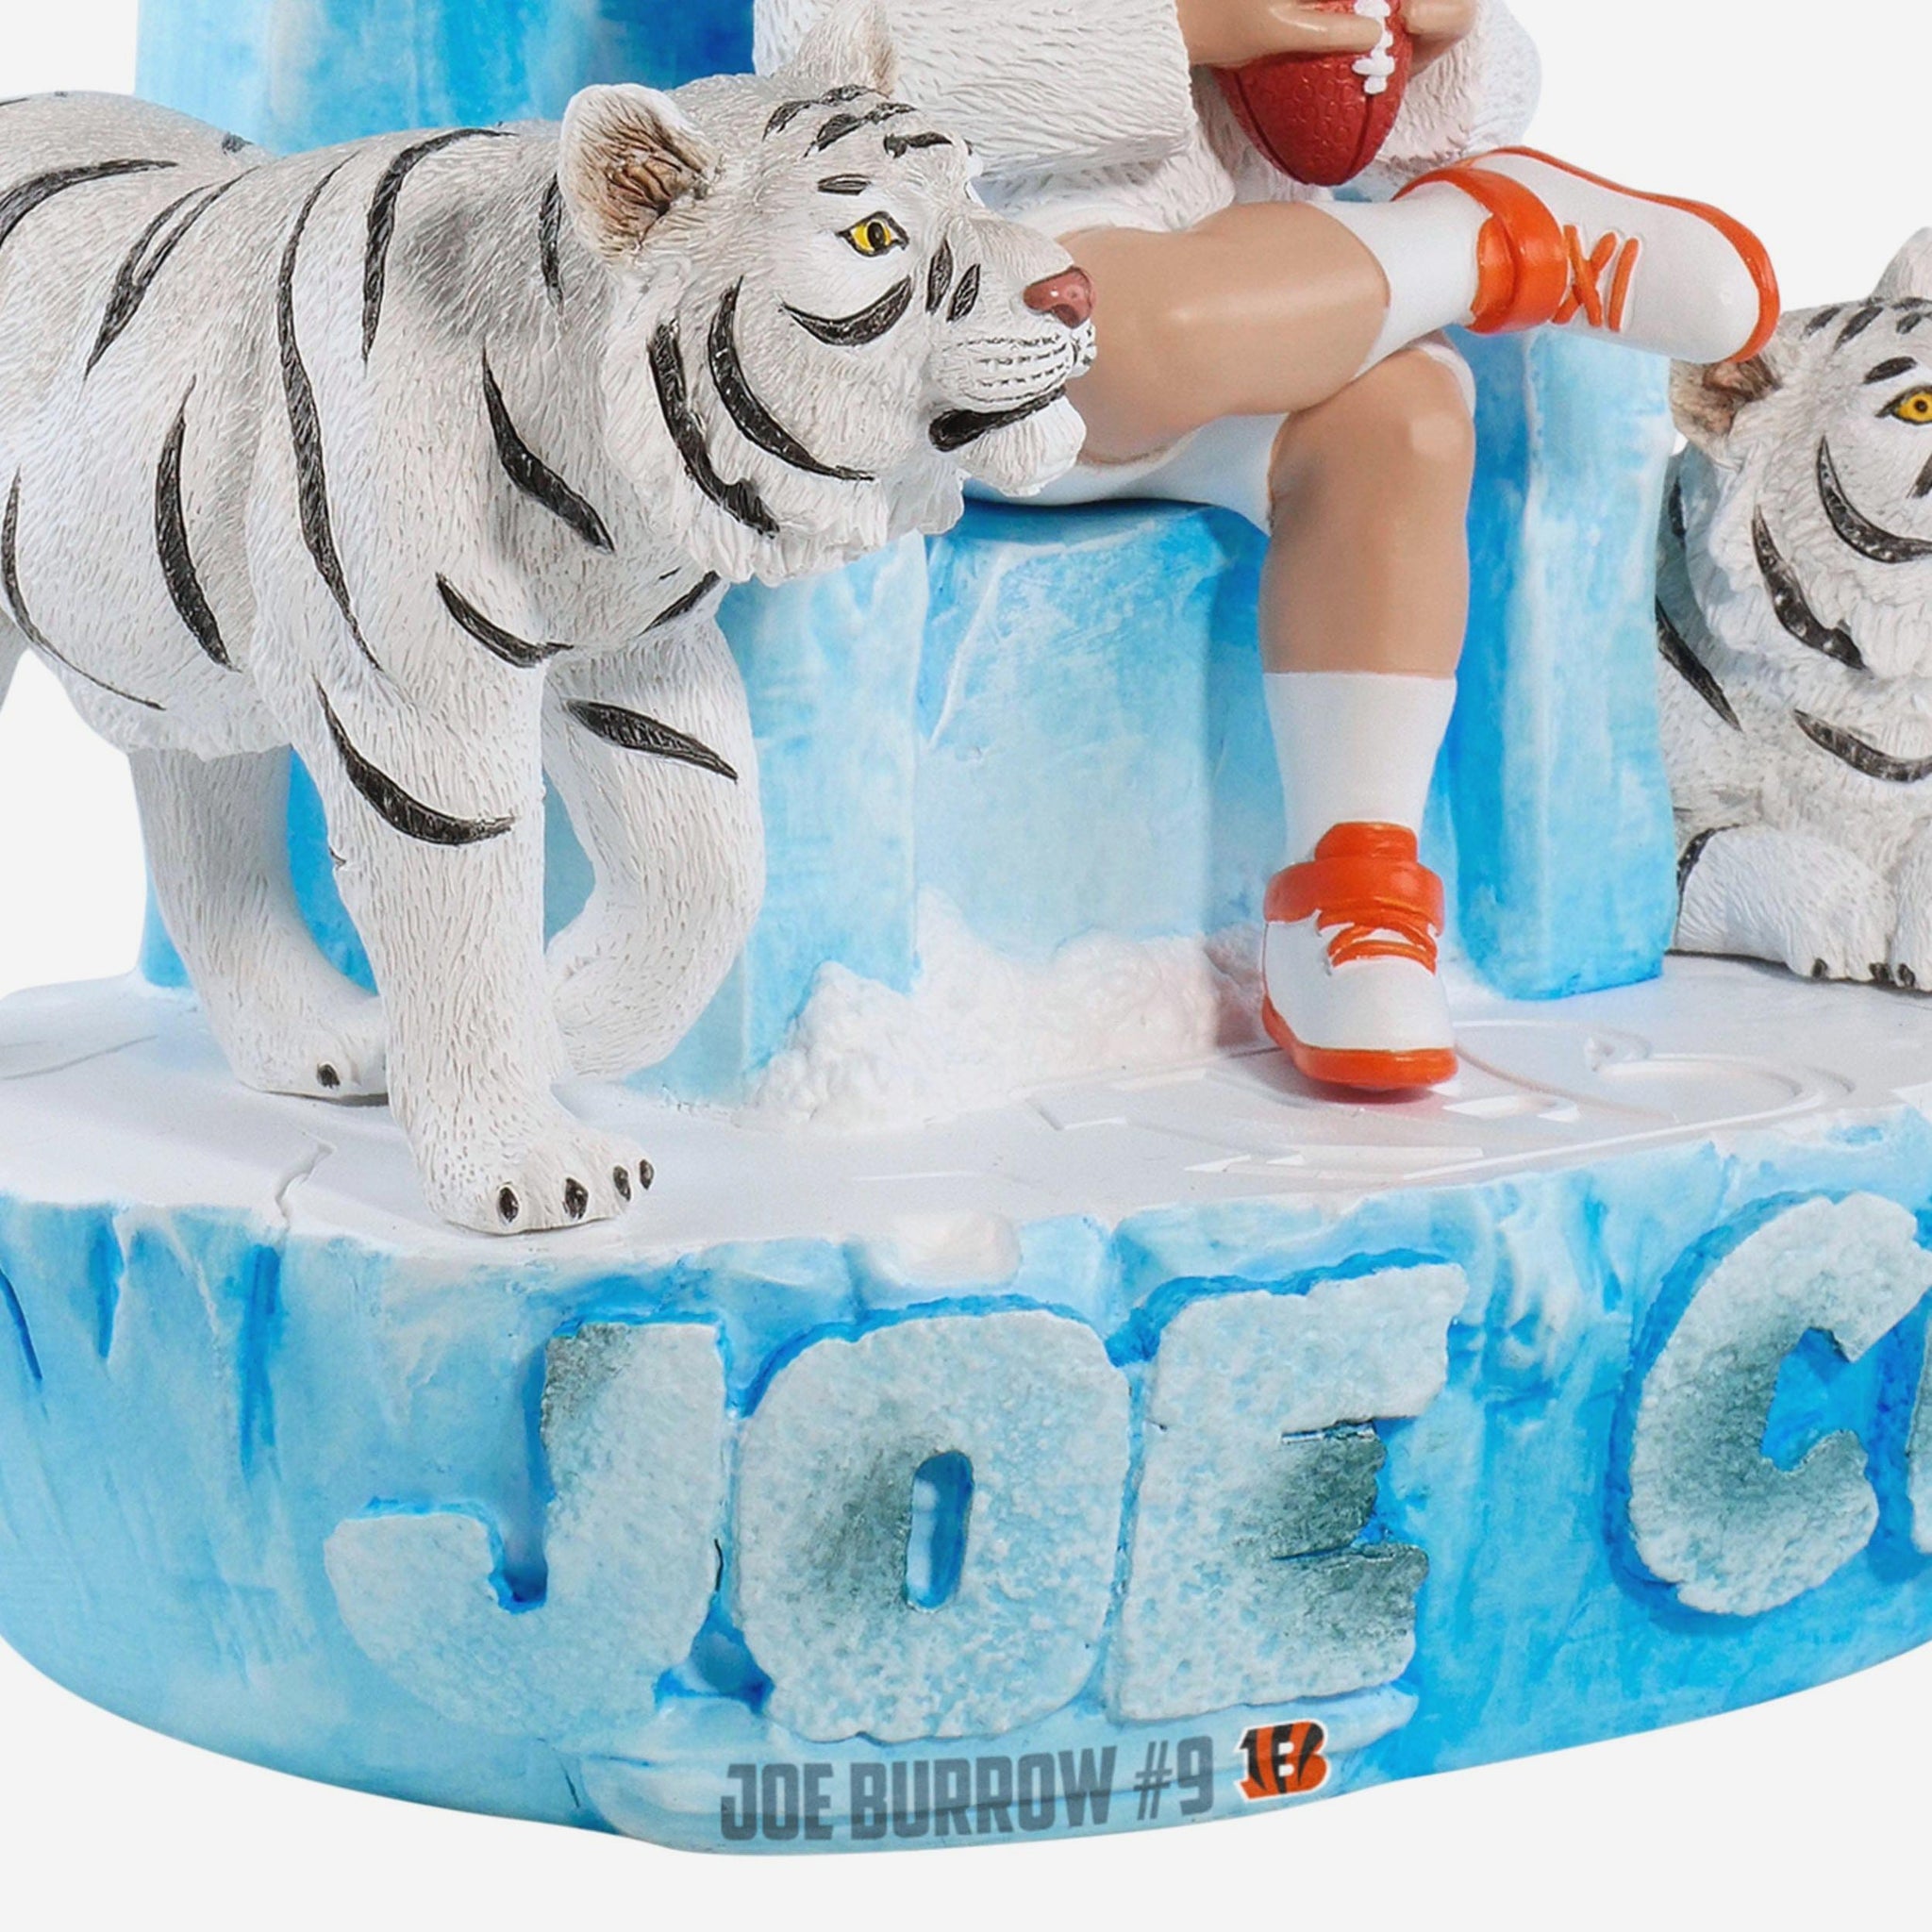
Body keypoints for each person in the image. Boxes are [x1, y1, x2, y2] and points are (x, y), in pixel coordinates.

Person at [756, 0, 1777, 1091]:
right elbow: (824, 64)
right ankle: (1487, 241)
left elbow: (1463, 107)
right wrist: (1185, 29)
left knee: (1403, 420)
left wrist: (1417, 34)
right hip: (974, 342)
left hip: (1270, 319)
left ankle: (1351, 899)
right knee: (1101, 329)